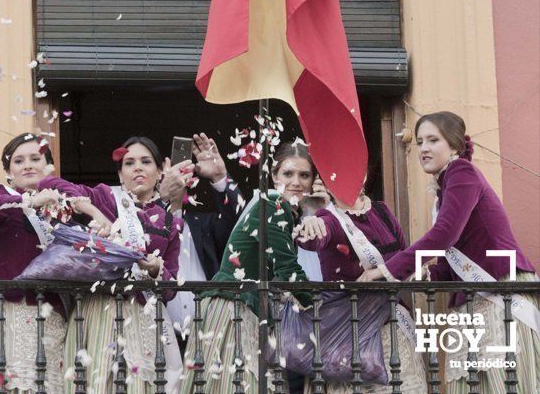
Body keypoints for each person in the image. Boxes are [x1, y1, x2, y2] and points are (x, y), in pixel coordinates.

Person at [357, 111, 539, 392]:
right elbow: (455, 250)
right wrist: (429, 272)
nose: (424, 148)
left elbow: (444, 235)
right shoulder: (447, 184)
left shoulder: (461, 172)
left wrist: (386, 270)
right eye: (419, 142)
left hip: (497, 288)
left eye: (433, 140)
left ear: (454, 146)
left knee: (498, 383)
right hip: (474, 293)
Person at [0, 133, 111, 392]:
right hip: (10, 310)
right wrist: (29, 201)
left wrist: (88, 212)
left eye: (36, 158)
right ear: (9, 171)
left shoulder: (63, 208)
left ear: (48, 167)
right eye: (19, 161)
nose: (28, 165)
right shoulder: (4, 197)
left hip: (52, 313)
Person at [39, 136, 184, 393]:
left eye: (145, 161)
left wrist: (155, 270)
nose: (137, 168)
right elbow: (50, 183)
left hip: (145, 318)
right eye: (129, 163)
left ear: (160, 171)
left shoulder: (171, 223)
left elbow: (171, 289)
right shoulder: (105, 198)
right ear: (120, 174)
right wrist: (95, 213)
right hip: (102, 312)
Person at [181, 142, 315, 393]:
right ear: (274, 178)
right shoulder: (274, 203)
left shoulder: (282, 209)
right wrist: (319, 306)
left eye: (304, 175)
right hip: (232, 310)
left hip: (248, 311)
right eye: (288, 174)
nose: (296, 181)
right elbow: (287, 269)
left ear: (312, 183)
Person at [293, 181, 427, 392]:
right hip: (350, 335)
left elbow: (404, 258)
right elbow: (313, 240)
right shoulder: (328, 219)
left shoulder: (382, 212)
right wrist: (309, 224)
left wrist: (421, 273)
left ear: (364, 174)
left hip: (392, 332)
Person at [161, 134, 246, 336]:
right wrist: (164, 199)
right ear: (160, 175)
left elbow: (241, 224)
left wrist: (220, 178)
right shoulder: (140, 223)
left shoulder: (203, 224)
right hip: (159, 337)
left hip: (207, 334)